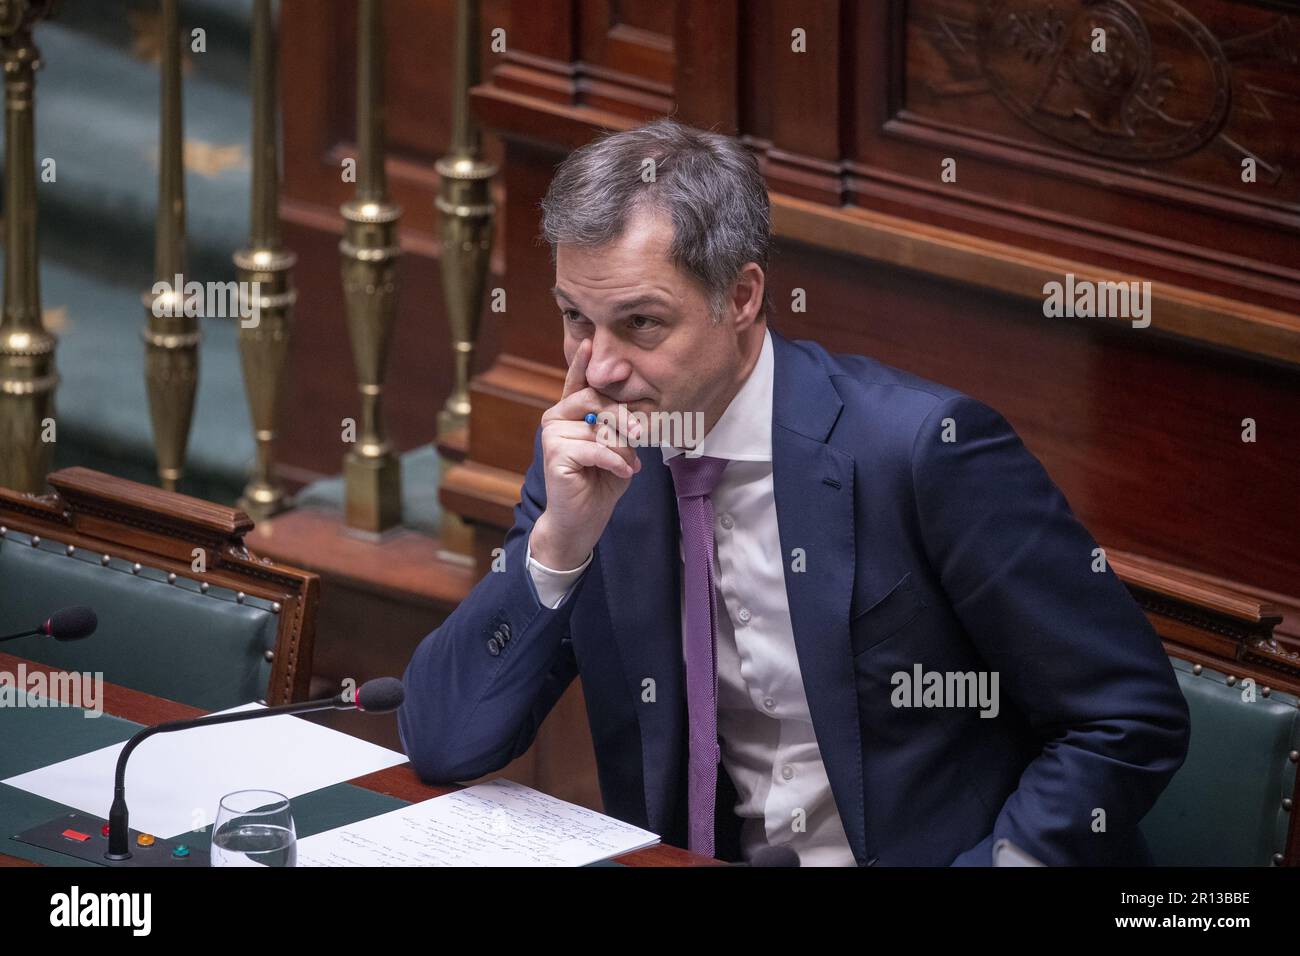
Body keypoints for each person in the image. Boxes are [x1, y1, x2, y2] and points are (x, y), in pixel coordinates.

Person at [398, 117, 1190, 866]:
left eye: (640, 323)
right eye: (577, 319)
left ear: (741, 297)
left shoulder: (922, 453)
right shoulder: (591, 464)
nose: (599, 368)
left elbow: (1124, 719)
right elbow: (443, 740)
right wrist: (558, 549)